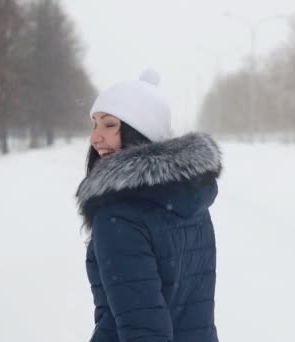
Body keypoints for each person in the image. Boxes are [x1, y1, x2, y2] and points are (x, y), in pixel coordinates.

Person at [76, 69, 221, 342]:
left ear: (139, 131)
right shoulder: (190, 201)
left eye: (109, 125)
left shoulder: (118, 216)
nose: (95, 137)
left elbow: (144, 330)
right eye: (94, 124)